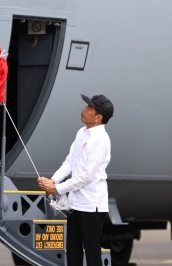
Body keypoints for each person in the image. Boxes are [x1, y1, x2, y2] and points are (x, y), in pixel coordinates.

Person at [38, 94, 114, 266]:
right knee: (72, 250)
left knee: (92, 252)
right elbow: (70, 162)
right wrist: (52, 181)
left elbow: (86, 176)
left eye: (89, 108)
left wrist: (57, 189)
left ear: (98, 117)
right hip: (75, 202)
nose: (84, 109)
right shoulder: (82, 132)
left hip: (91, 205)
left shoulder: (100, 140)